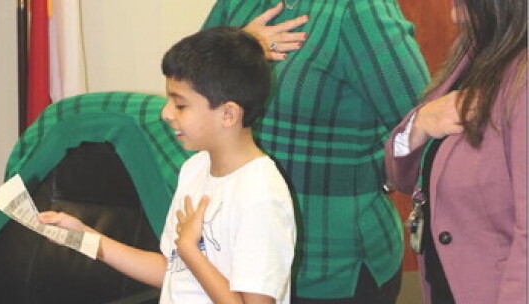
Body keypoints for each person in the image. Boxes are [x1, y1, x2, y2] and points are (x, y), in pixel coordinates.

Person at [38, 26, 296, 304]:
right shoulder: (195, 169)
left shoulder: (260, 194)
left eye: (180, 105)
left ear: (228, 114)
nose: (166, 113)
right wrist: (82, 237)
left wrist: (190, 250)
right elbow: (173, 271)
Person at [201, 1, 431, 303]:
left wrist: (383, 178)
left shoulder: (359, 10)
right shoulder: (237, 5)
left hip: (328, 266)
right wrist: (239, 50)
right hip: (238, 257)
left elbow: (423, 128)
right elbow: (191, 96)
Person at [384, 0, 527, 303]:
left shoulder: (522, 79)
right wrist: (421, 123)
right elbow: (404, 176)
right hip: (448, 284)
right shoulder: (474, 48)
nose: (451, 7)